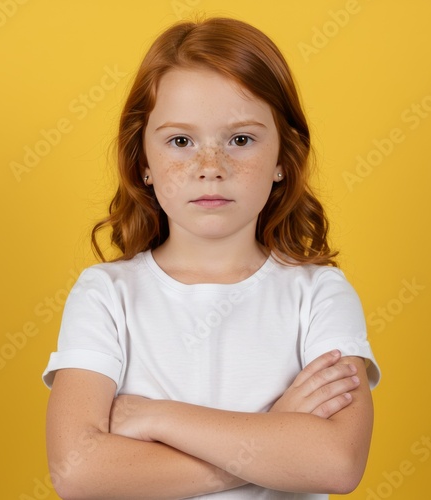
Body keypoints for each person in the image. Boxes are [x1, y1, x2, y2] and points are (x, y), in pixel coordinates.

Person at [42, 17, 380, 499]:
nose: (210, 168)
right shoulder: (106, 294)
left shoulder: (320, 294)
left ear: (284, 155)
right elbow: (78, 473)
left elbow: (336, 462)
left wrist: (157, 417)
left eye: (240, 140)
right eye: (181, 141)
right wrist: (276, 433)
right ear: (144, 161)